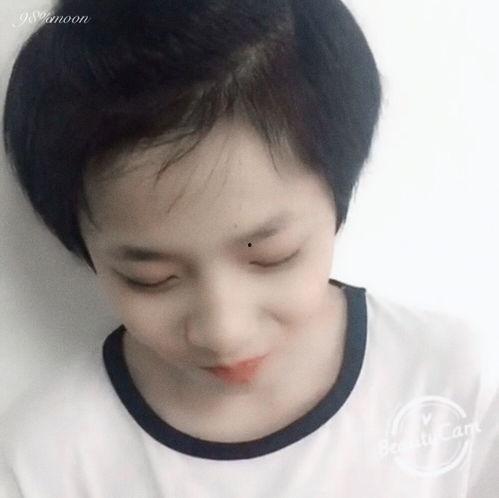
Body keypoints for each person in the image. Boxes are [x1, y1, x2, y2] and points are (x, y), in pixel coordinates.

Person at [1, 0, 497, 496]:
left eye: (272, 256)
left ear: (337, 201)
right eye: (151, 279)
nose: (225, 332)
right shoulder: (49, 457)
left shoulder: (454, 383)